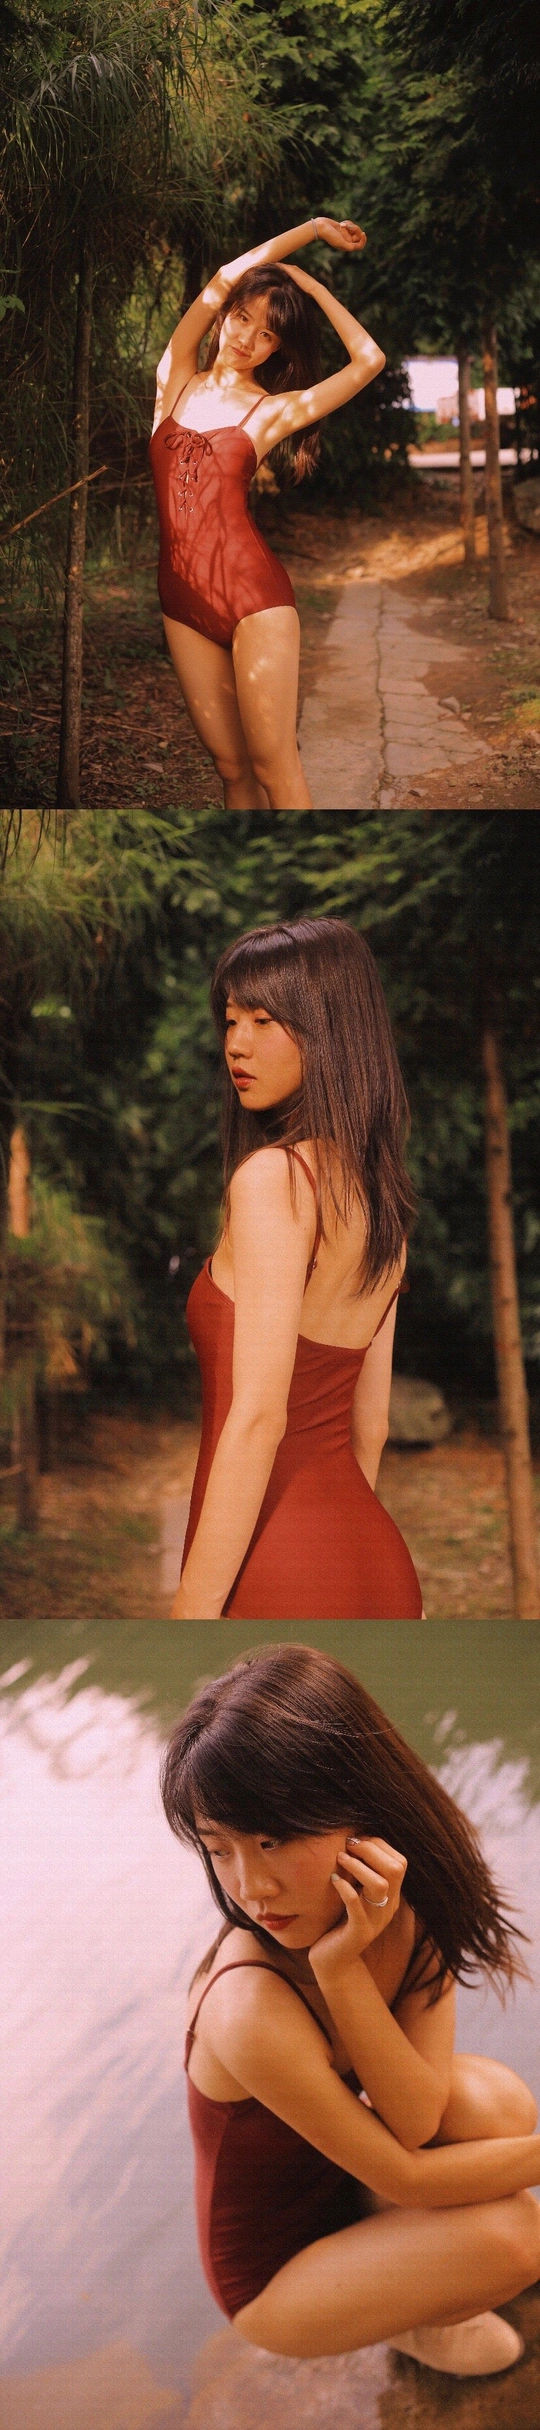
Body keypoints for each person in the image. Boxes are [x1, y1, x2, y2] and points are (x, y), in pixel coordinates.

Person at [161, 1644, 540, 2379]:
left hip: (350, 2187)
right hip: (277, 2276)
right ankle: (412, 2314)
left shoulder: (403, 1908)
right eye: (220, 1850)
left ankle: (415, 2277)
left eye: (272, 1840)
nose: (252, 1887)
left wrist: (341, 1971)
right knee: (515, 2237)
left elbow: (418, 2118)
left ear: (359, 1812)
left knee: (495, 2106)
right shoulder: (246, 2005)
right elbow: (407, 2178)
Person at [171, 915, 423, 1620]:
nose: (236, 1043)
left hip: (275, 1563)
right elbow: (370, 1427)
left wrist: (192, 1610)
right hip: (374, 1560)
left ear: (330, 1031)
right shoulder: (381, 1202)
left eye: (264, 1020)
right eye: (230, 1021)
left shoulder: (274, 1181)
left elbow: (256, 1418)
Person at [149, 216, 385, 810]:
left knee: (274, 768)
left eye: (268, 334)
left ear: (277, 348)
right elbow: (224, 276)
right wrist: (313, 229)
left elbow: (369, 359)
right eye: (242, 318)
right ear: (224, 315)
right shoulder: (174, 378)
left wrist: (311, 286)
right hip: (179, 597)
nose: (248, 338)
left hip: (254, 598)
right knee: (231, 770)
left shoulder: (271, 411)